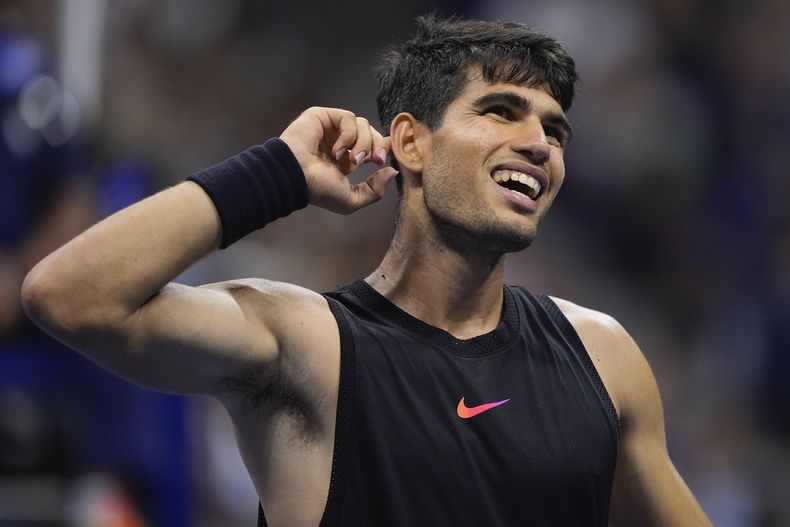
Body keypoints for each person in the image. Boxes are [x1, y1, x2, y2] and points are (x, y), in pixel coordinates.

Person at [21, 15, 712, 527]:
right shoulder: (308, 345)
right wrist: (277, 174)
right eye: (501, 112)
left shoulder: (603, 355)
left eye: (554, 130)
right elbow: (70, 295)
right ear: (409, 141)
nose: (537, 144)